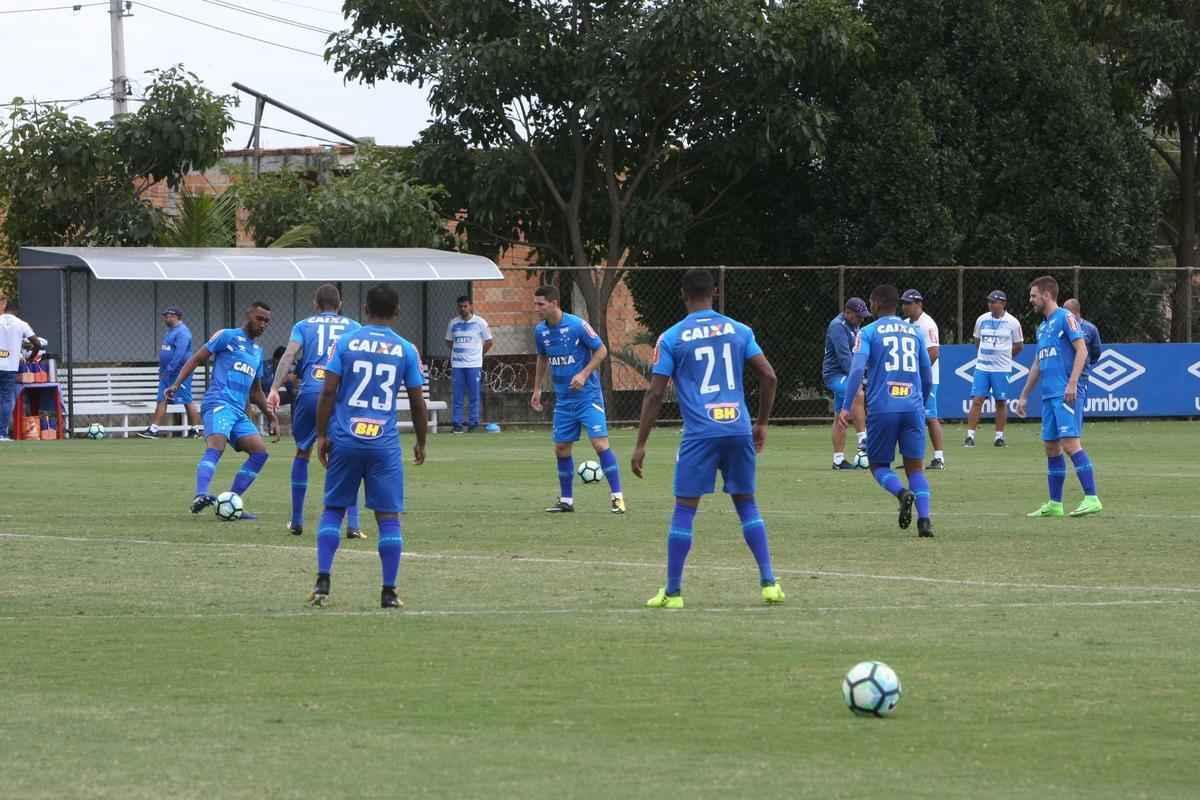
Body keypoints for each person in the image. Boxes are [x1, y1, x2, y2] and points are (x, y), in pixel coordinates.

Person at [631, 269, 784, 608]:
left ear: (683, 295)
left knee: (685, 509)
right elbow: (769, 376)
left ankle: (673, 593)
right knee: (746, 503)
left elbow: (655, 394)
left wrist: (641, 443)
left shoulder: (672, 338)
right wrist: (760, 423)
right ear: (714, 292)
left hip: (700, 433)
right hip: (738, 428)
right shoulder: (740, 330)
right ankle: (769, 583)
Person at [309, 285, 428, 609]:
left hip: (346, 439)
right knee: (388, 517)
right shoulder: (405, 349)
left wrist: (321, 434)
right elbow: (418, 402)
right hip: (384, 444)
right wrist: (421, 440)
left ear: (364, 309)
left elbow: (328, 392)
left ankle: (323, 581)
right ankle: (389, 591)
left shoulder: (346, 342)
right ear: (397, 311)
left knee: (334, 510)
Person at [836, 285, 935, 538]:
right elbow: (926, 373)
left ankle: (902, 494)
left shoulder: (867, 332)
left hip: (883, 406)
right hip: (912, 406)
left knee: (878, 465)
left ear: (876, 304)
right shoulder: (914, 332)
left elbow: (857, 370)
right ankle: (925, 522)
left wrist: (846, 407)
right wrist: (921, 403)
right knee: (916, 467)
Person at [267, 284, 364, 538]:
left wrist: (275, 388)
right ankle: (353, 525)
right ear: (339, 304)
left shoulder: (303, 326)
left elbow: (288, 355)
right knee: (346, 457)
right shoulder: (354, 327)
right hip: (339, 396)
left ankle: (297, 520)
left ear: (315, 304)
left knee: (302, 452)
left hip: (310, 394)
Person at [166, 302, 277, 519]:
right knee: (217, 446)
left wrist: (271, 416)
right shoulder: (227, 336)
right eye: (259, 318)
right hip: (218, 403)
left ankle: (229, 502)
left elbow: (256, 392)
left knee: (260, 453)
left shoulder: (257, 351)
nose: (263, 324)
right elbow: (197, 358)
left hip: (238, 411)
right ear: (248, 314)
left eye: (267, 321)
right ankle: (200, 494)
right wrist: (176, 384)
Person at [530, 285, 625, 513]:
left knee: (600, 444)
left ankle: (617, 498)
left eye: (540, 304)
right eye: (536, 304)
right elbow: (542, 358)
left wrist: (583, 374)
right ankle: (566, 501)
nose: (537, 308)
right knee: (561, 448)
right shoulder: (540, 331)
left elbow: (601, 350)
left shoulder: (577, 325)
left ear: (554, 303)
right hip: (564, 399)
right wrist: (537, 389)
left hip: (588, 395)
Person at [1015, 277, 1102, 518]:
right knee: (1051, 447)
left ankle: (1092, 498)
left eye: (1033, 295)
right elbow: (1037, 363)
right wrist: (1024, 395)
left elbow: (1082, 350)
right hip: (1048, 395)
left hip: (1065, 392)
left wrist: (1072, 383)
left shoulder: (1065, 317)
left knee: (1070, 444)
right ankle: (1055, 504)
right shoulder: (1043, 326)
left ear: (1046, 295)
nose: (1030, 300)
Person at [965, 290, 1024, 448]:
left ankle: (999, 437)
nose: (991, 304)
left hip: (1002, 368)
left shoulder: (1013, 322)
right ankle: (970, 436)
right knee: (977, 400)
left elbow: (1019, 345)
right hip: (982, 367)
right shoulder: (981, 320)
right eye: (989, 302)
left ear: (1003, 303)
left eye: (994, 302)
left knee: (1000, 401)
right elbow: (977, 341)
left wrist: (1004, 357)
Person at [137, 307, 202, 439]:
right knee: (161, 398)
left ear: (177, 317)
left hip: (180, 372)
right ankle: (153, 430)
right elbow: (167, 351)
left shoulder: (183, 332)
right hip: (167, 373)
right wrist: (163, 370)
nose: (166, 318)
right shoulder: (170, 332)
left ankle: (195, 430)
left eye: (169, 316)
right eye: (165, 316)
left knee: (186, 399)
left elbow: (180, 354)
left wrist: (170, 369)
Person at [901, 289, 946, 470]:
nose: (905, 307)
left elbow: (934, 352)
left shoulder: (927, 324)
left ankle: (939, 457)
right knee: (907, 416)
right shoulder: (904, 324)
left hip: (926, 379)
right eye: (903, 303)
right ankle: (910, 457)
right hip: (908, 379)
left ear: (919, 304)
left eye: (909, 303)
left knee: (930, 416)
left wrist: (919, 373)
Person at [822, 298, 869, 469]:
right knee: (857, 392)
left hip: (848, 373)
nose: (861, 320)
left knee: (839, 416)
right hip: (835, 374)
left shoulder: (854, 325)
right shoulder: (838, 327)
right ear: (847, 312)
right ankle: (863, 441)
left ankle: (838, 460)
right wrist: (860, 378)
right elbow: (845, 358)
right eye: (858, 317)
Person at [445, 295, 493, 433]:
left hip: (474, 364)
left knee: (474, 394)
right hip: (458, 365)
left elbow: (489, 341)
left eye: (465, 306)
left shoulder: (480, 323)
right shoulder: (453, 323)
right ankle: (457, 424)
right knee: (457, 395)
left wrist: (478, 354)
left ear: (471, 306)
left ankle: (473, 423)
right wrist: (459, 352)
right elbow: (448, 341)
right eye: (460, 306)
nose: (463, 309)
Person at [0, 291, 41, 442]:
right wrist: (30, 358)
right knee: (6, 400)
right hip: (9, 367)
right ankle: (1, 434)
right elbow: (37, 343)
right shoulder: (21, 324)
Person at [1063, 298, 1102, 410]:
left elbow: (1096, 352)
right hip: (1063, 376)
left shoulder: (1090, 329)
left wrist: (1085, 363)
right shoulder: (1062, 327)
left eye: (1068, 313)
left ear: (1076, 313)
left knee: (1076, 413)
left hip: (1081, 378)